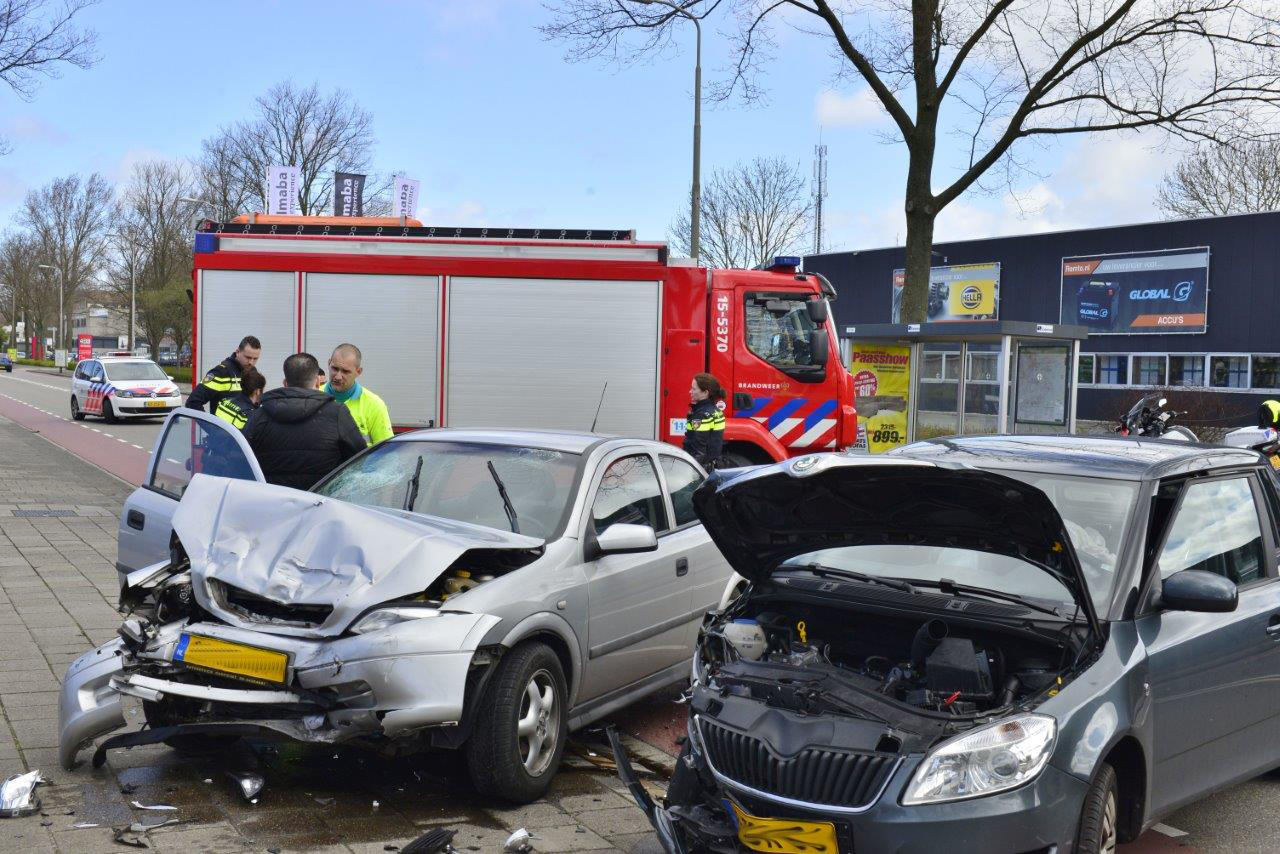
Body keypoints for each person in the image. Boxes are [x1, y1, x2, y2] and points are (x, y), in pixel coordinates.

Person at [243, 353, 366, 490]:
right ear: (318, 382)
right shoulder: (337, 413)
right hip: (323, 505)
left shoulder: (260, 415)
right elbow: (360, 460)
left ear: (285, 383)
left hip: (273, 504)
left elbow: (242, 461)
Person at [325, 343, 393, 446]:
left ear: (358, 372)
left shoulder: (374, 405)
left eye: (345, 371)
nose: (338, 376)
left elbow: (386, 452)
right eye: (335, 369)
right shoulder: (314, 396)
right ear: (329, 363)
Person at [186, 335, 261, 412]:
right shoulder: (221, 373)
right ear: (238, 352)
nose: (251, 362)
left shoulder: (253, 372)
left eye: (255, 359)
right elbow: (192, 402)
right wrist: (209, 424)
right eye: (248, 357)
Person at [683, 372, 726, 469]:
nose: (690, 391)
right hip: (715, 466)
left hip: (702, 469)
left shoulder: (701, 415)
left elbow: (699, 452)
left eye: (694, 389)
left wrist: (688, 471)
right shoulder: (717, 411)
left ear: (705, 393)